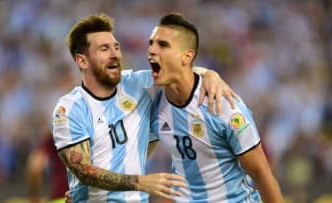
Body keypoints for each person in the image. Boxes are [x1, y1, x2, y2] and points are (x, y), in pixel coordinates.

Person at [51, 14, 237, 203]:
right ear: (82, 61)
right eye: (104, 49)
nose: (116, 54)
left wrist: (209, 74)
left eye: (116, 47)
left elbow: (177, 71)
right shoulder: (69, 109)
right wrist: (140, 182)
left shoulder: (136, 86)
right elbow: (84, 171)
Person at [148, 13, 284, 203]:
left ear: (187, 56)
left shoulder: (223, 106)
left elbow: (262, 175)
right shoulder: (153, 104)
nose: (152, 50)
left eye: (162, 45)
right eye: (151, 43)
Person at [26, 131, 69, 203]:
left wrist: (34, 196)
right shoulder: (91, 129)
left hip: (62, 198)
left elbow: (35, 167)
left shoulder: (59, 132)